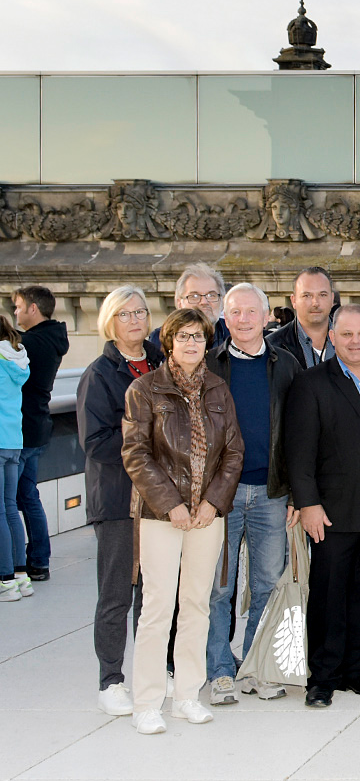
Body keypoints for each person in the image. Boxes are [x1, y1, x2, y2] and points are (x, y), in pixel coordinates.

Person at [121, 308, 244, 733]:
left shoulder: (218, 389)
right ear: (168, 341)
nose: (191, 344)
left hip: (208, 516)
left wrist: (213, 501)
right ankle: (148, 702)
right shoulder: (144, 389)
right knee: (157, 607)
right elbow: (135, 453)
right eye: (183, 336)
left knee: (196, 604)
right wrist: (170, 502)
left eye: (198, 337)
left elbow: (233, 452)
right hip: (161, 515)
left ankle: (187, 695)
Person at [284, 306, 360, 707]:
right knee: (328, 596)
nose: (356, 341)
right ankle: (323, 676)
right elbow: (299, 454)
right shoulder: (311, 383)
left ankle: (357, 670)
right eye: (346, 334)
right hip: (332, 511)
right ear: (333, 337)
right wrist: (308, 504)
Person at [202, 283, 303, 705]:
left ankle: (259, 666)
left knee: (267, 584)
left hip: (271, 491)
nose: (242, 320)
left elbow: (300, 433)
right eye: (234, 312)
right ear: (224, 319)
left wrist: (299, 492)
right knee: (219, 588)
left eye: (250, 312)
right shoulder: (208, 364)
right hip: (220, 495)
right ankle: (221, 670)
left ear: (267, 317)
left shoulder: (287, 365)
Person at [81, 286, 163, 717]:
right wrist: (146, 438)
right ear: (109, 321)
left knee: (153, 594)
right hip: (117, 501)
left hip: (160, 501)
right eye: (125, 314)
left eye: (141, 312)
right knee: (116, 592)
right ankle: (110, 679)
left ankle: (151, 671)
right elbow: (95, 444)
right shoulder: (100, 374)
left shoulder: (162, 363)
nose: (135, 320)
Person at [12, 285, 66, 583]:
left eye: (19, 307)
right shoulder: (51, 339)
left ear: (34, 308)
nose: (16, 313)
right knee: (27, 496)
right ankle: (38, 561)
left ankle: (21, 563)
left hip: (20, 430)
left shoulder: (29, 344)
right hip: (37, 428)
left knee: (12, 501)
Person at [0, 313, 28, 600]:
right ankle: (21, 575)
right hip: (14, 441)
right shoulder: (15, 358)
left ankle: (5, 579)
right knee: (10, 508)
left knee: (0, 511)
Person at [145, 263, 229, 356]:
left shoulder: (233, 335)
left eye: (211, 295)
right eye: (194, 296)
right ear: (179, 303)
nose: (204, 302)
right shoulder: (160, 339)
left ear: (222, 301)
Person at [270, 266, 336, 369]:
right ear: (293, 300)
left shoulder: (355, 341)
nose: (315, 303)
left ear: (332, 299)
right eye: (307, 296)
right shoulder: (272, 347)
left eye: (322, 295)